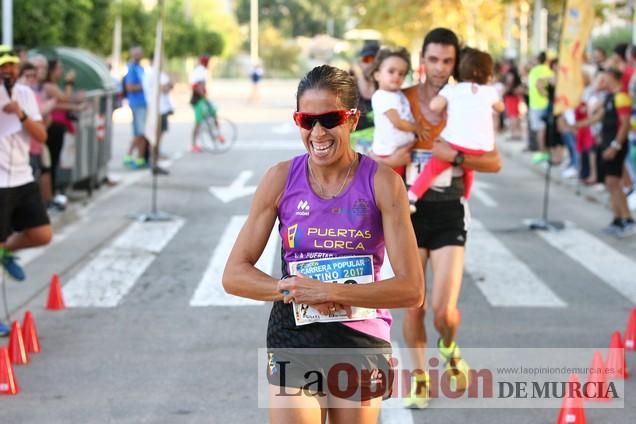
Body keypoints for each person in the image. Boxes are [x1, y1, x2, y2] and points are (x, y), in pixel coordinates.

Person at [222, 65, 423, 423]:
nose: (317, 132)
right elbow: (234, 274)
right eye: (306, 120)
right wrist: (290, 289)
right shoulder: (280, 178)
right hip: (294, 333)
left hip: (359, 336)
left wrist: (330, 292)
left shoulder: (384, 184)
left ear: (353, 119)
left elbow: (411, 289)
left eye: (329, 118)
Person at [371, 28, 502, 409]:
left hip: (449, 209)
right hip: (408, 211)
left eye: (448, 61)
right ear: (422, 60)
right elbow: (376, 153)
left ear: (456, 62)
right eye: (433, 60)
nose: (441, 68)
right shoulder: (401, 98)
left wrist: (456, 157)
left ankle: (448, 344)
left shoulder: (467, 99)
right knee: (415, 304)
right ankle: (420, 378)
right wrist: (390, 162)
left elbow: (493, 160)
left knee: (444, 310)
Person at [406, 47, 503, 210]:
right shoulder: (489, 92)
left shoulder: (452, 90)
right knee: (469, 170)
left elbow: (434, 106)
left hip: (454, 144)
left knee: (433, 168)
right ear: (488, 74)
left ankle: (412, 196)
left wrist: (444, 103)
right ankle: (465, 198)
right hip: (481, 147)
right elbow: (500, 107)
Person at [0, 45, 52, 335]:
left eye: (11, 65)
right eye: (2, 66)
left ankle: (6, 251)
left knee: (42, 234)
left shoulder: (24, 95)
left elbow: (41, 136)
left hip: (21, 177)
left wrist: (20, 115)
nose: (8, 70)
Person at [575, 68, 635, 237]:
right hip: (608, 144)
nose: (602, 81)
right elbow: (597, 117)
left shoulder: (622, 97)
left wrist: (615, 146)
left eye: (604, 78)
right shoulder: (610, 96)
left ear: (612, 77)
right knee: (611, 183)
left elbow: (625, 124)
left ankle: (627, 220)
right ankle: (617, 218)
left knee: (614, 182)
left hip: (615, 146)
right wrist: (576, 126)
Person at [369, 47, 420, 175]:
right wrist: (417, 128)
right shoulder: (381, 96)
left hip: (399, 152)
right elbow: (397, 122)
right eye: (391, 71)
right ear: (377, 75)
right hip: (388, 153)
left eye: (401, 73)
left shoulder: (397, 94)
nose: (397, 76)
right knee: (389, 190)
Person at [123, 46, 148, 169]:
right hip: (137, 104)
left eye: (140, 53)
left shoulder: (140, 68)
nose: (138, 55)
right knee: (140, 132)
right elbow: (129, 87)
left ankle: (138, 158)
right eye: (136, 54)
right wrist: (145, 86)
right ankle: (135, 158)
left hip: (143, 103)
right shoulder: (132, 68)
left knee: (140, 133)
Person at [528, 52, 555, 164]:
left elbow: (536, 85)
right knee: (544, 129)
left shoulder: (534, 71)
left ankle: (542, 152)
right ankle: (545, 151)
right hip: (546, 103)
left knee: (540, 129)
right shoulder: (549, 71)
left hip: (537, 104)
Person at [190, 81, 221, 152]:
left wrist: (215, 117)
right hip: (202, 118)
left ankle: (216, 137)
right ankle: (194, 145)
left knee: (211, 127)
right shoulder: (198, 102)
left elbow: (212, 110)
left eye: (203, 88)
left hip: (208, 117)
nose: (202, 89)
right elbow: (199, 114)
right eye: (200, 88)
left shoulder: (205, 100)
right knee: (198, 128)